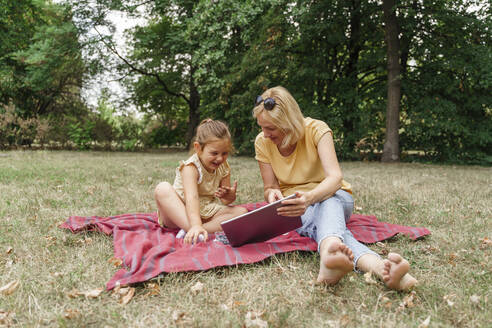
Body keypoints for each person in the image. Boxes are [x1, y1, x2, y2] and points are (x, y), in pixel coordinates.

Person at [253, 86, 417, 290]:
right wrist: (272, 194)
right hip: (296, 206)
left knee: (327, 201)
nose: (265, 134)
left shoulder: (316, 129)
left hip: (334, 196)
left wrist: (310, 197)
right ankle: (382, 269)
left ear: (289, 122)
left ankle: (328, 254)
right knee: (329, 228)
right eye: (262, 127)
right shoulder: (262, 142)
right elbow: (269, 186)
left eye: (271, 128)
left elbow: (335, 178)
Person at [154, 118, 247, 244]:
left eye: (224, 153)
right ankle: (194, 228)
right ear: (198, 148)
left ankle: (197, 231)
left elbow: (225, 201)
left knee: (242, 213)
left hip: (207, 212)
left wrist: (230, 196)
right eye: (214, 153)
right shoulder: (191, 167)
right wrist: (195, 223)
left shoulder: (224, 167)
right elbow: (192, 198)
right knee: (162, 188)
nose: (219, 158)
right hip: (180, 212)